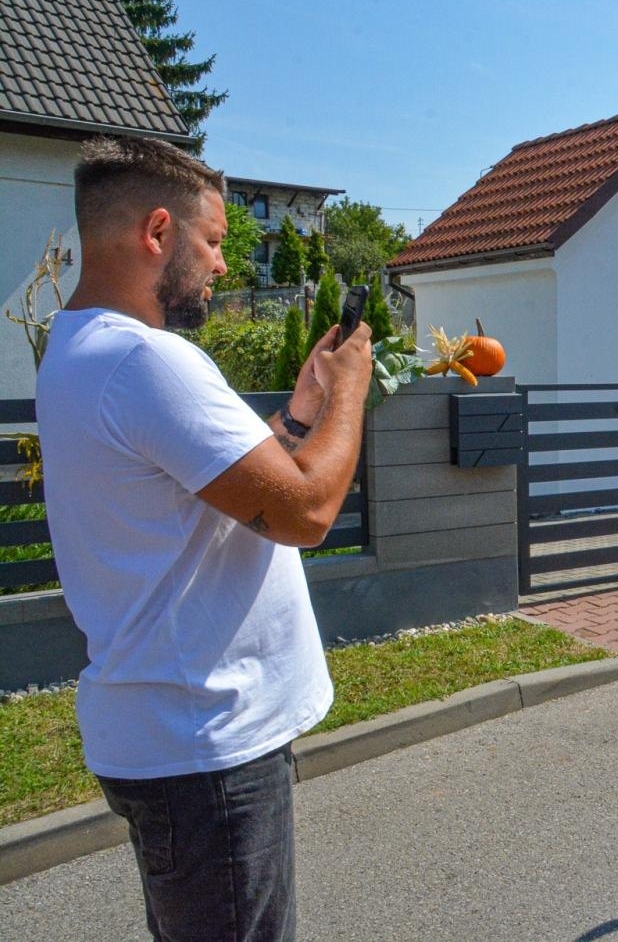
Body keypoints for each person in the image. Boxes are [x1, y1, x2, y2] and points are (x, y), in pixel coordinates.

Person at [36, 136, 373, 941]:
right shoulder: (147, 362)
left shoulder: (76, 347)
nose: (224, 266)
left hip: (174, 735)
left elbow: (213, 485)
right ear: (157, 233)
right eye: (215, 241)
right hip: (208, 748)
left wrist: (297, 414)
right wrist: (349, 393)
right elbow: (307, 513)